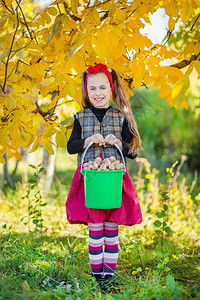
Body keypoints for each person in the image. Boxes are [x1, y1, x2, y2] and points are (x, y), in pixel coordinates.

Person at [66, 63, 142, 287]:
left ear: (111, 90)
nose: (97, 93)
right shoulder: (80, 117)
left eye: (102, 88)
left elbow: (132, 152)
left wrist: (119, 142)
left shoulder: (120, 118)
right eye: (92, 89)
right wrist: (86, 141)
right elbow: (71, 147)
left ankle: (108, 276)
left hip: (113, 181)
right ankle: (97, 277)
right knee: (95, 229)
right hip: (91, 181)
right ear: (86, 92)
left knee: (111, 229)